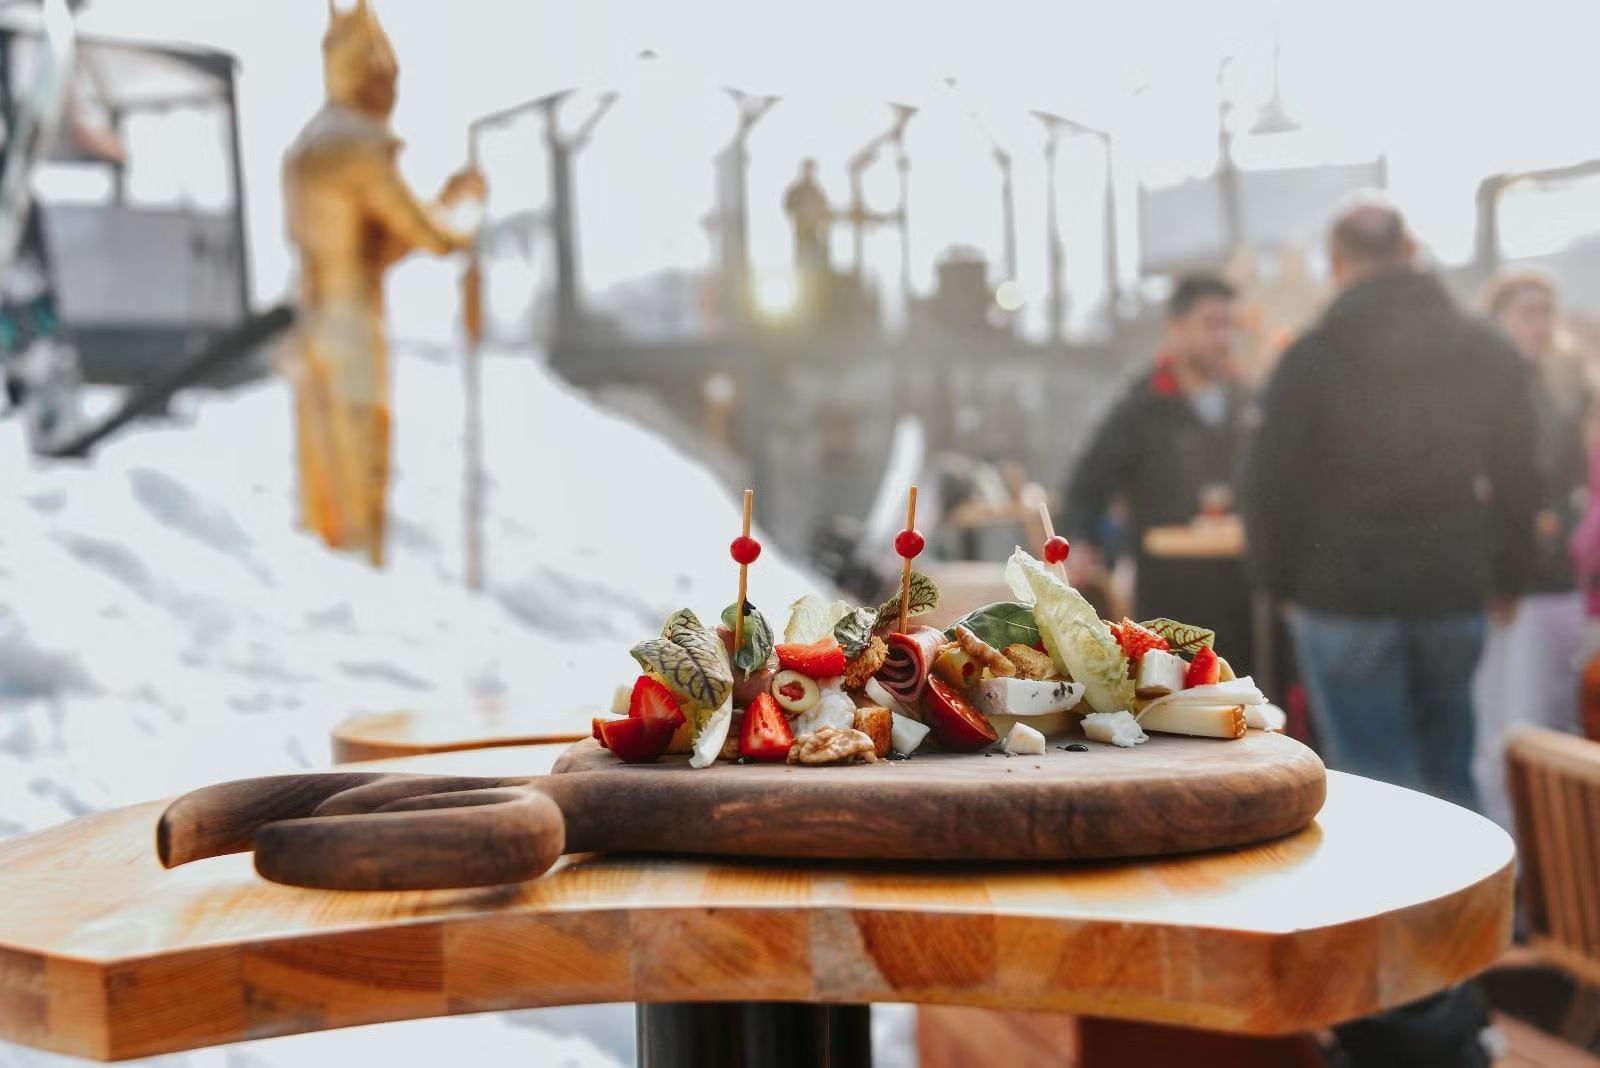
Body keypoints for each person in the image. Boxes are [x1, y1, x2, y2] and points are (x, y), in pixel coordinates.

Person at [1241, 200, 1537, 812]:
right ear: (1410, 252)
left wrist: (1280, 582)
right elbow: (1519, 475)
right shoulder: (1486, 351)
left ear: (1337, 264)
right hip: (1453, 588)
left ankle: (1391, 909)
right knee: (1451, 766)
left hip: (1343, 594)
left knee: (1374, 786)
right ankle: (1471, 906)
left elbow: (1270, 480)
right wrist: (1508, 575)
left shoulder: (1310, 357)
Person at [282, 0, 482, 566]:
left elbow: (373, 247)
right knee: (360, 472)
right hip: (350, 327)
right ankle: (362, 588)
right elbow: (431, 235)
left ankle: (332, 583)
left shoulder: (307, 144)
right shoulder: (361, 146)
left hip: (309, 319)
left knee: (320, 479)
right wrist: (463, 206)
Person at [1062, 274, 1255, 670]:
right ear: (1175, 329)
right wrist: (1080, 540)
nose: (1222, 337)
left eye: (1227, 325)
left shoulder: (1247, 399)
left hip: (1243, 586)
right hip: (1172, 591)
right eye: (1210, 324)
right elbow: (1089, 480)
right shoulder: (1142, 406)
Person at [1471, 270, 1588, 828]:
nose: (1539, 323)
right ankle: (1511, 861)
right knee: (1500, 725)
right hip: (1503, 577)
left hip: (1556, 575)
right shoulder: (1477, 391)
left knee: (1542, 722)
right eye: (1526, 311)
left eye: (1546, 310)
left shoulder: (1567, 387)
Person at [782, 159, 831, 274]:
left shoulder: (817, 191)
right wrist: (802, 212)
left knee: (817, 265)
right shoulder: (796, 191)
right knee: (802, 264)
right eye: (807, 169)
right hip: (801, 235)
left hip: (815, 235)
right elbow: (788, 207)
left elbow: (825, 212)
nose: (809, 172)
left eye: (811, 170)